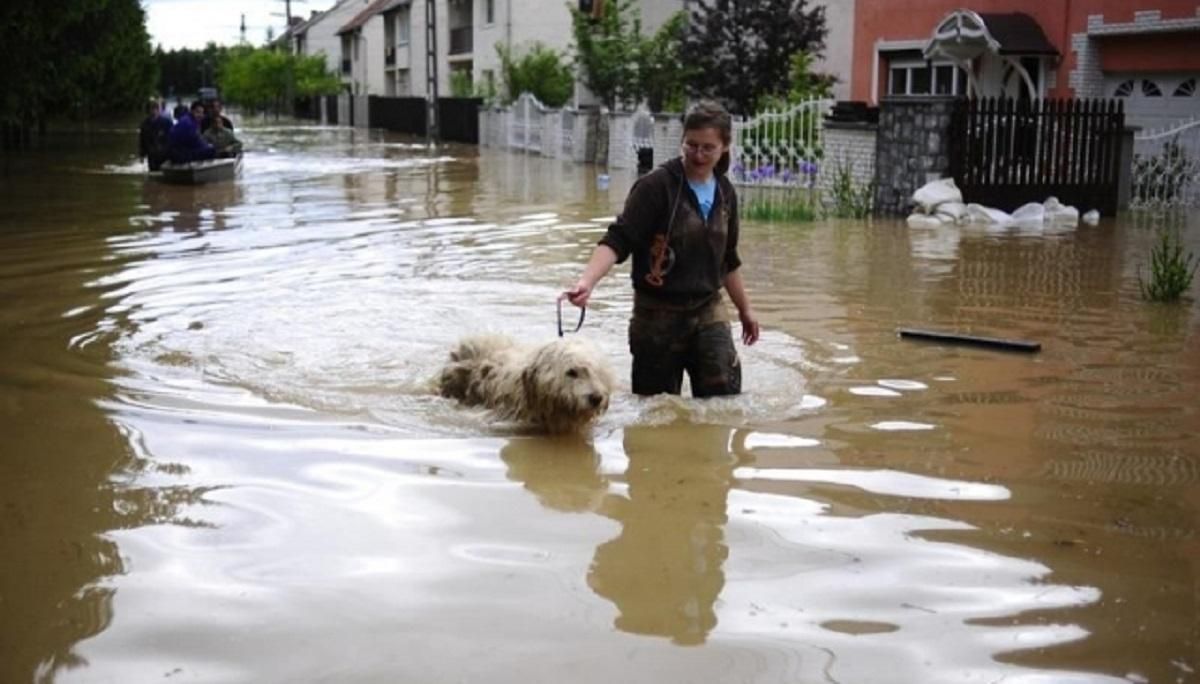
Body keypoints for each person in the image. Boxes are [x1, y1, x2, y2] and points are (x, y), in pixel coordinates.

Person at [562, 100, 760, 397]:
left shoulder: (725, 193)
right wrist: (587, 282)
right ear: (682, 141)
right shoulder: (655, 187)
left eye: (708, 147)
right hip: (656, 316)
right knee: (655, 408)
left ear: (725, 146)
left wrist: (746, 310)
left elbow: (728, 260)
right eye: (691, 145)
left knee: (724, 400)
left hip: (708, 309)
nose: (698, 154)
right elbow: (618, 240)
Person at [165, 100, 216, 164]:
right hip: (179, 155)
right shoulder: (189, 123)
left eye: (202, 113)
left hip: (176, 151)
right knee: (211, 150)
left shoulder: (185, 119)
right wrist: (209, 146)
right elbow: (196, 142)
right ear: (192, 111)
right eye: (197, 112)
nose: (200, 115)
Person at [137, 99, 173, 171]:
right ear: (148, 111)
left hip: (165, 154)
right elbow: (142, 140)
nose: (154, 111)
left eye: (156, 108)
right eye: (152, 109)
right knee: (153, 172)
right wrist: (142, 155)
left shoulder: (166, 122)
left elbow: (173, 138)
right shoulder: (144, 124)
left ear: (159, 110)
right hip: (152, 155)